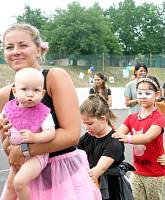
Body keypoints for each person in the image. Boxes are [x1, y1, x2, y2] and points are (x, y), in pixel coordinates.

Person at [0, 23, 101, 200]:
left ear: (39, 50)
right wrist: (7, 139)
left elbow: (71, 134)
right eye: (9, 47)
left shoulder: (54, 77)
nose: (15, 51)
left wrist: (25, 149)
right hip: (27, 180)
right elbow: (9, 148)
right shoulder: (5, 94)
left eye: (23, 45)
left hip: (62, 176)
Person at [1, 68, 56, 200]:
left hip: (36, 156)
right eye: (24, 89)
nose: (30, 94)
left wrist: (35, 137)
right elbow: (2, 120)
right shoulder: (10, 107)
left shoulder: (43, 112)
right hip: (16, 153)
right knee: (10, 186)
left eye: (36, 90)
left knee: (19, 183)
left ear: (42, 94)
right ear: (14, 91)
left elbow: (51, 132)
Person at [112, 76, 165, 200]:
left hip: (155, 173)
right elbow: (118, 133)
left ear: (157, 95)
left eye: (147, 93)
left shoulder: (158, 118)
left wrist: (127, 138)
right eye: (139, 93)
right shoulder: (132, 117)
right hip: (137, 171)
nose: (142, 96)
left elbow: (148, 137)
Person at [78, 94, 134, 200]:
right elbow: (74, 155)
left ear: (103, 119)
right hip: (92, 187)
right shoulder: (87, 137)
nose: (86, 127)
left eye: (89, 123)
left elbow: (99, 168)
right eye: (84, 123)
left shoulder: (114, 142)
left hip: (111, 190)